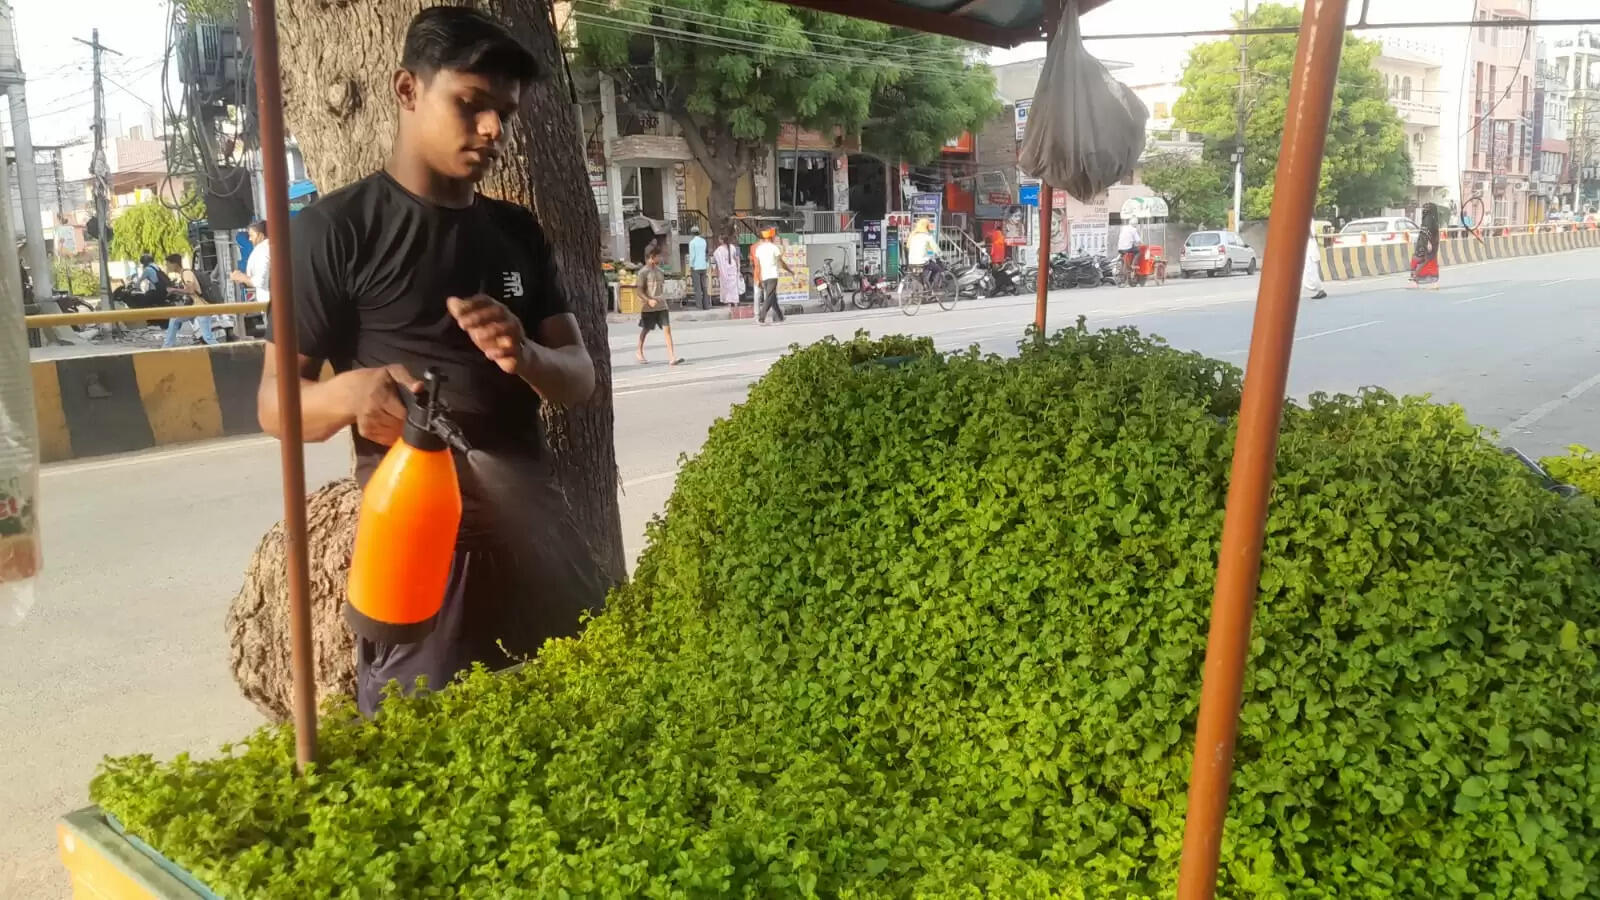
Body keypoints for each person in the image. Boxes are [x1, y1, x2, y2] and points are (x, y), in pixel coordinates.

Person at [256, 6, 607, 716]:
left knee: (579, 731)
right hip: (418, 554)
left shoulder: (515, 234)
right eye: (470, 105)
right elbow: (273, 406)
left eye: (503, 114)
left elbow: (578, 381)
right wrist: (352, 394)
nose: (491, 131)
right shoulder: (335, 232)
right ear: (407, 91)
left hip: (537, 536)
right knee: (424, 759)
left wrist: (527, 353)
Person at [635, 242, 682, 364]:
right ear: (651, 256)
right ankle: (639, 351)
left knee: (667, 330)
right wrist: (648, 300)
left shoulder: (660, 271)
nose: (659, 258)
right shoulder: (642, 273)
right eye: (657, 256)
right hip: (648, 307)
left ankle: (672, 357)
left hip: (661, 305)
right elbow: (639, 291)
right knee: (646, 329)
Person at [161, 253, 220, 347]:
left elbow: (190, 290)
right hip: (197, 307)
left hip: (201, 308)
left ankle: (223, 351)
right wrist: (176, 292)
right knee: (175, 320)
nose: (167, 266)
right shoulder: (184, 274)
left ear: (174, 264)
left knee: (207, 337)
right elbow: (190, 292)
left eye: (168, 264)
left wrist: (174, 290)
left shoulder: (186, 273)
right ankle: (167, 346)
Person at [751, 227, 792, 324]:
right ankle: (761, 318)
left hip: (764, 276)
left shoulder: (759, 249)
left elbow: (758, 265)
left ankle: (780, 317)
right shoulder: (774, 248)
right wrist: (790, 271)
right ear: (771, 238)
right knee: (769, 297)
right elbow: (780, 262)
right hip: (773, 275)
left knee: (772, 297)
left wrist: (758, 277)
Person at [1409, 202, 1440, 289]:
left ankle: (1414, 281)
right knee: (1430, 262)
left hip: (1425, 244)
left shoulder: (1428, 218)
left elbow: (1427, 232)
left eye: (1426, 208)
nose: (1424, 209)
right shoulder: (1433, 218)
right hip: (1430, 243)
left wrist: (1428, 243)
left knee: (1418, 261)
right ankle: (1433, 283)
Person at [712, 232, 741, 306]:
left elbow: (715, 259)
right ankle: (735, 301)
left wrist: (716, 270)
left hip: (724, 269)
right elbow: (736, 258)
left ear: (722, 240)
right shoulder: (733, 247)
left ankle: (728, 302)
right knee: (734, 286)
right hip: (733, 268)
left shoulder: (719, 250)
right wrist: (738, 268)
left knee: (726, 286)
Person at [1302, 223, 1328, 300]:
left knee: (1312, 272)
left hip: (1311, 250)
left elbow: (1312, 233)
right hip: (1308, 249)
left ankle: (1320, 290)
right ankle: (1319, 290)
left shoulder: (1309, 221)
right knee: (1307, 272)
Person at [686, 225, 709, 309]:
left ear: (692, 233)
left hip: (696, 267)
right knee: (704, 287)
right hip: (703, 266)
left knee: (697, 288)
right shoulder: (704, 241)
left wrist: (691, 266)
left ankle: (699, 306)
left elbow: (692, 256)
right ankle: (706, 305)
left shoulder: (692, 243)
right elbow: (705, 253)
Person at [1116, 218, 1142, 285]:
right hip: (1127, 248)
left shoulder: (1124, 228)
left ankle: (1122, 272)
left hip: (1120, 248)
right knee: (1138, 251)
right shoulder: (1133, 229)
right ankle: (1133, 264)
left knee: (1123, 258)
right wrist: (1141, 242)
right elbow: (1138, 240)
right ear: (1135, 224)